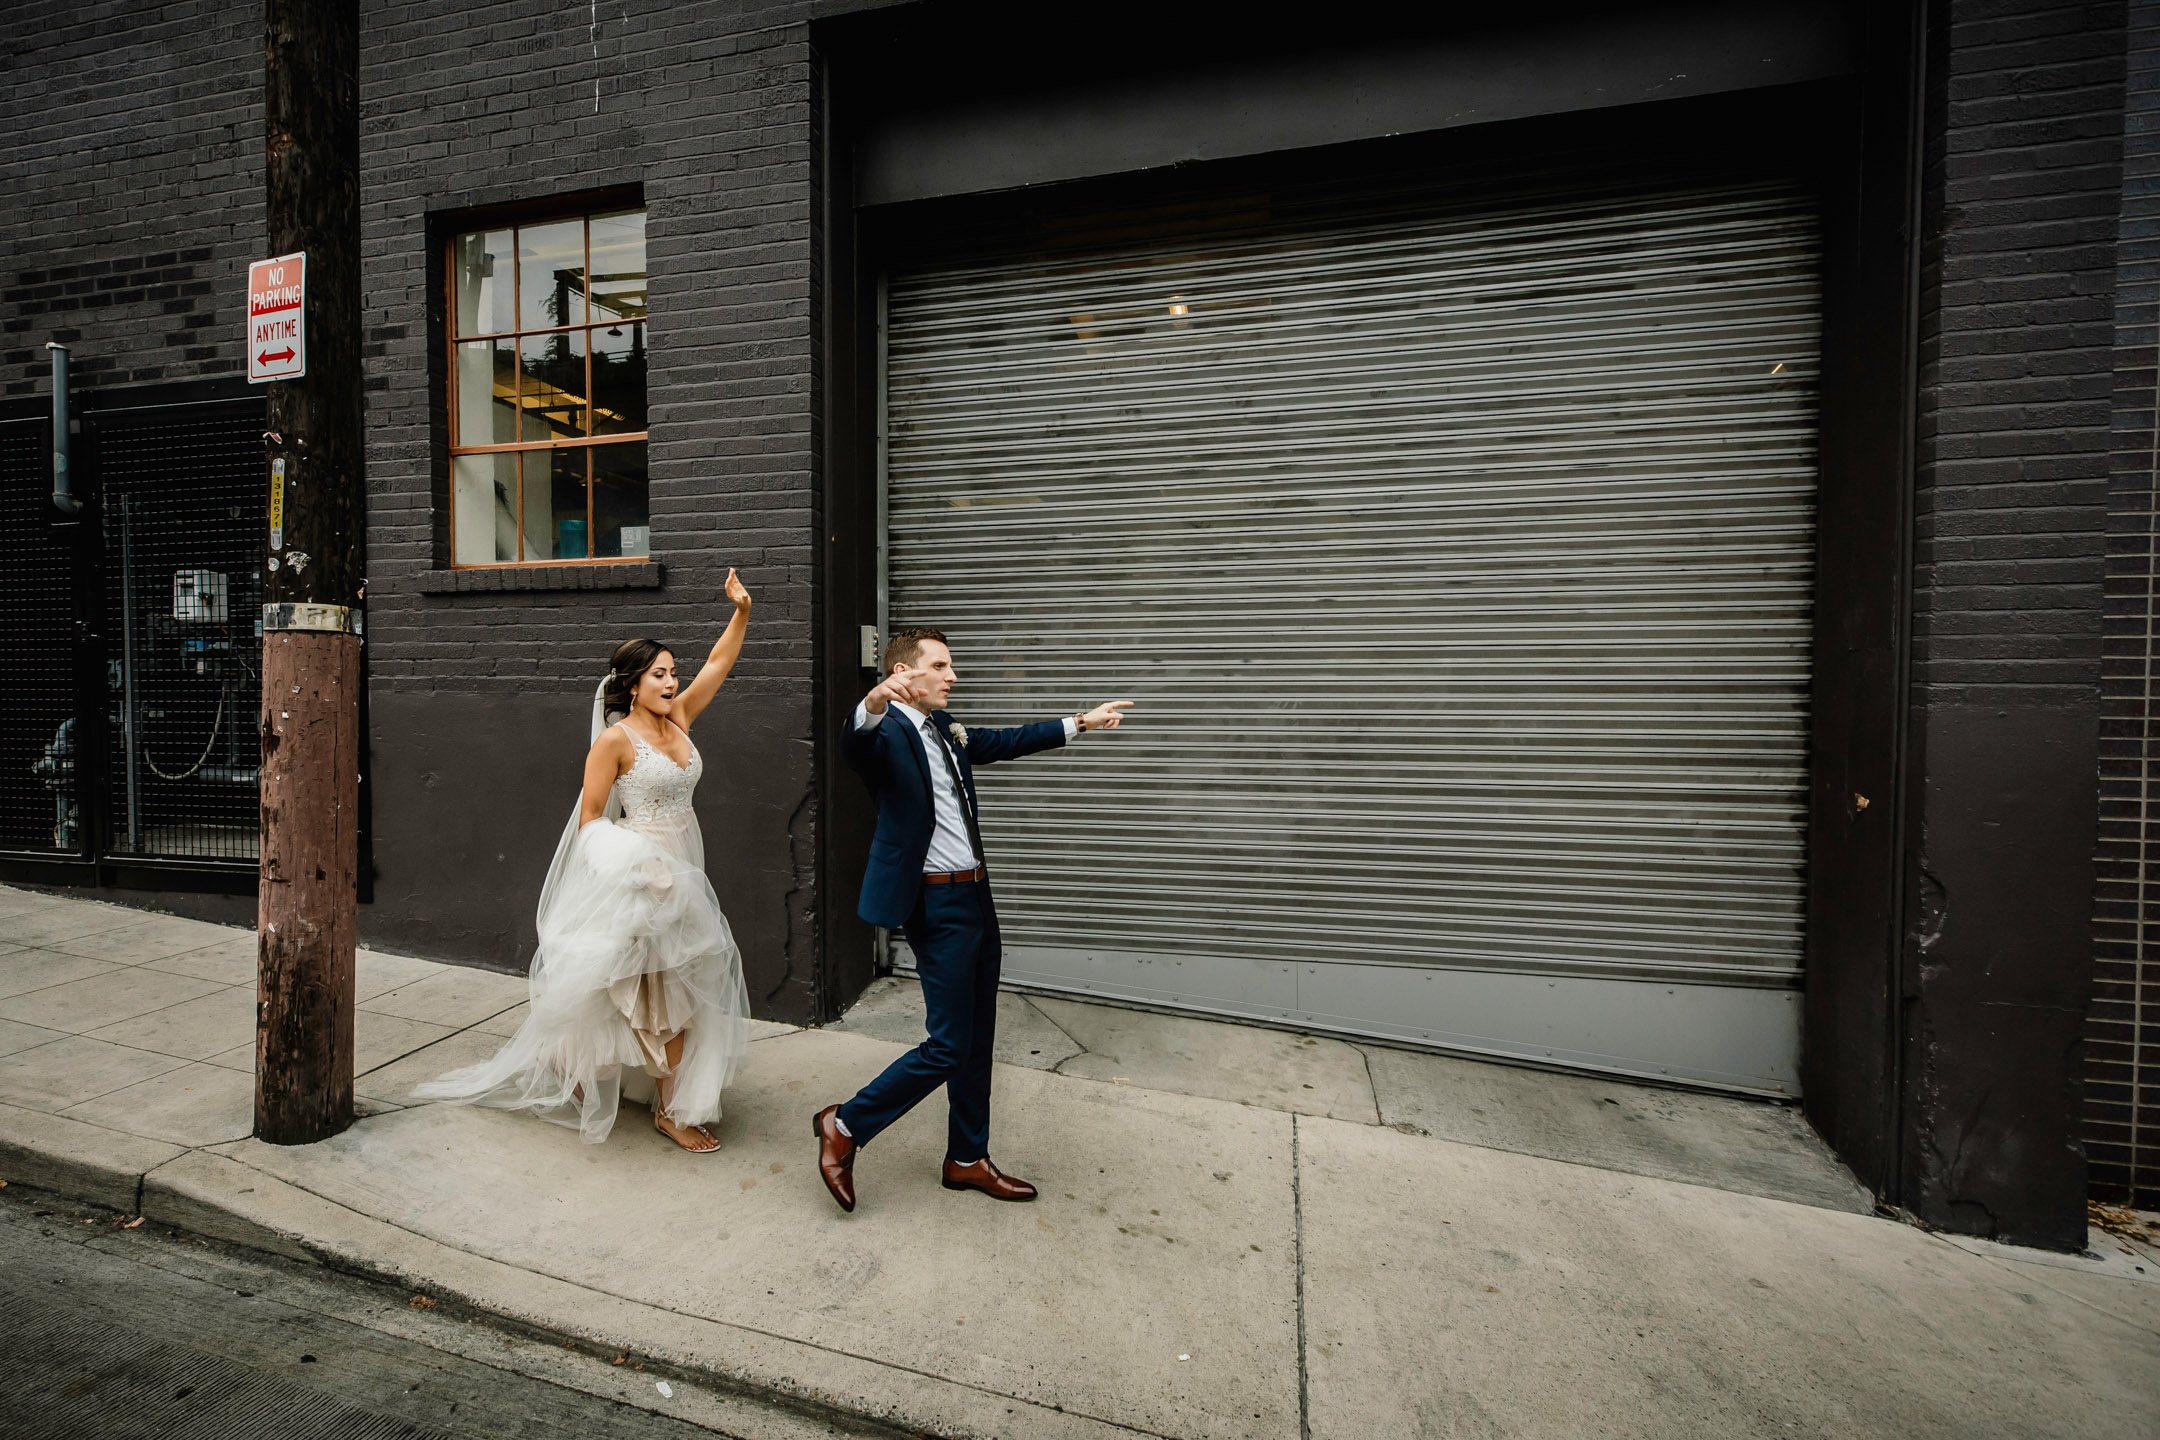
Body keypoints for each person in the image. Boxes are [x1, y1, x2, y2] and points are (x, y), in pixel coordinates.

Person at [414, 571, 757, 1152]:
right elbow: (591, 819)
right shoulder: (615, 741)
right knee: (652, 987)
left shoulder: (680, 721)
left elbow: (720, 665)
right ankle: (669, 1109)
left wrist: (742, 613)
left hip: (685, 863)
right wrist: (641, 866)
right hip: (640, 871)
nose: (673, 682)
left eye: (674, 672)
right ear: (631, 684)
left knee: (658, 980)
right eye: (660, 674)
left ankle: (579, 1064)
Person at [813, 627, 1132, 1210]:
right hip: (935, 904)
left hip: (977, 899)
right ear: (906, 674)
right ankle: (847, 1123)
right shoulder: (883, 734)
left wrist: (1081, 722)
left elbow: (1004, 740)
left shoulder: (944, 731)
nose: (953, 676)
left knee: (977, 1037)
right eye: (940, 665)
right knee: (949, 1044)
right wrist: (875, 700)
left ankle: (967, 1159)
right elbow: (853, 742)